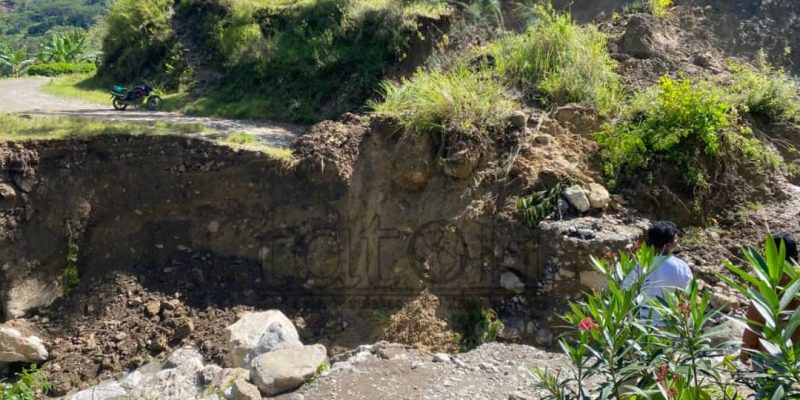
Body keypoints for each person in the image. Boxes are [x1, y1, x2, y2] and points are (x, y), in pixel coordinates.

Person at [740, 232, 800, 364]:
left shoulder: (765, 285)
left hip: (770, 356)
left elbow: (755, 322)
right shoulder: (797, 280)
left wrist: (746, 350)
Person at [623, 221, 693, 318]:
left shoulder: (639, 265)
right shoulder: (681, 267)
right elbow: (688, 294)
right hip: (670, 321)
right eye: (676, 240)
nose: (677, 243)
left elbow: (625, 290)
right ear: (668, 245)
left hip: (641, 321)